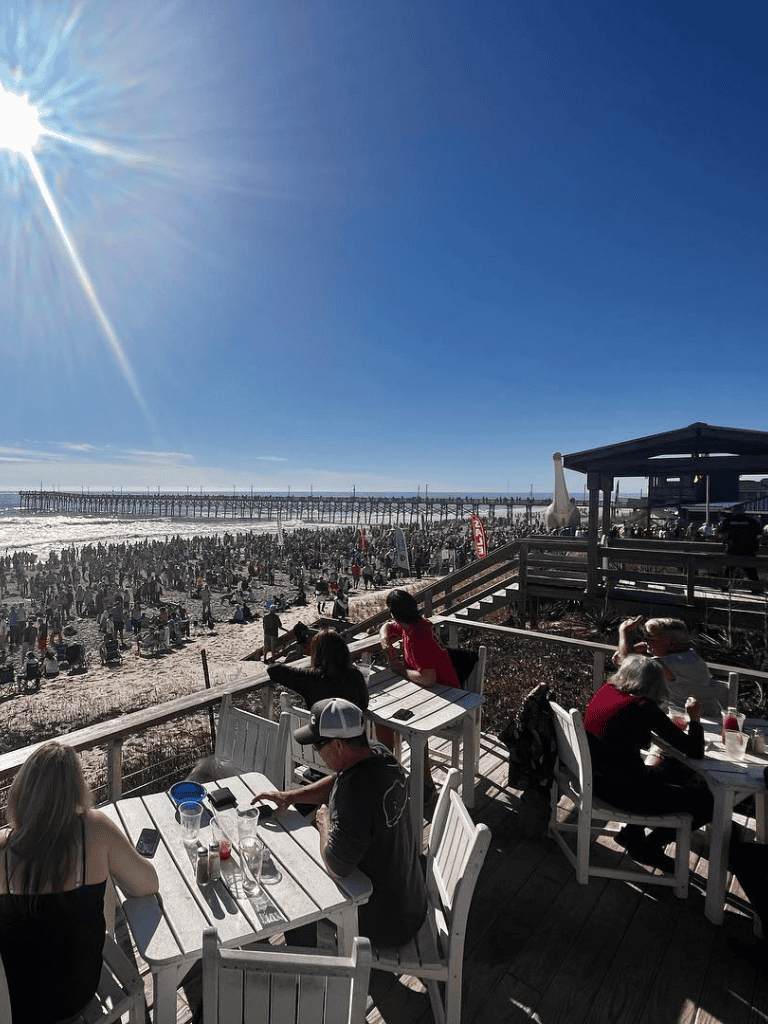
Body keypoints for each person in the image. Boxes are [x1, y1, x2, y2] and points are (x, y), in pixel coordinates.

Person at [0, 741, 159, 1024]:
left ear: (22, 792)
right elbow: (147, 883)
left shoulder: (3, 849)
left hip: (14, 1004)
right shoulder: (94, 830)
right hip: (75, 996)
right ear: (77, 789)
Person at [251, 697, 427, 948]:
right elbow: (339, 779)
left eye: (318, 744)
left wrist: (324, 823)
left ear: (338, 745)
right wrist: (290, 796)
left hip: (384, 926)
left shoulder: (355, 791)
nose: (314, 751)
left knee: (296, 891)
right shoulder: (378, 753)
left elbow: (336, 865)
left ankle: (308, 973)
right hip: (411, 903)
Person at [584, 655, 714, 869]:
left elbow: (628, 728)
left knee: (673, 767)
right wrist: (695, 718)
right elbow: (694, 750)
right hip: (624, 793)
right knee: (708, 803)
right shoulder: (642, 706)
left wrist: (661, 723)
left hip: (598, 779)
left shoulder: (607, 691)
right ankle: (647, 846)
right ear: (655, 684)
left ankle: (632, 835)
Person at [379, 588, 459, 799]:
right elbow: (386, 626)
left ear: (396, 613)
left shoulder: (417, 637)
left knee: (407, 726)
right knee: (384, 720)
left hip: (448, 702)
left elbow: (428, 678)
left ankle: (425, 785)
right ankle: (392, 773)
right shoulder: (415, 625)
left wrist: (400, 670)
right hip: (436, 693)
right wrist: (385, 639)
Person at [612, 615, 725, 717]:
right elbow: (648, 646)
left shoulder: (675, 662)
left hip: (704, 722)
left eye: (650, 638)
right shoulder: (686, 654)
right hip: (688, 715)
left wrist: (624, 632)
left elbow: (627, 661)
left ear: (670, 643)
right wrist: (633, 648)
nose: (645, 641)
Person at [267, 628, 369, 711]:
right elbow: (364, 705)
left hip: (320, 732)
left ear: (318, 654)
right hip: (351, 732)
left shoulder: (310, 677)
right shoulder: (356, 676)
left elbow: (273, 669)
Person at [718, 510, 762, 586]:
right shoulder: (752, 521)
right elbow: (759, 535)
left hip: (733, 549)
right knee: (751, 570)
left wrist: (727, 539)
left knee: (729, 569)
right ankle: (755, 587)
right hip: (748, 550)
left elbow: (720, 534)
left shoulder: (728, 521)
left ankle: (725, 586)